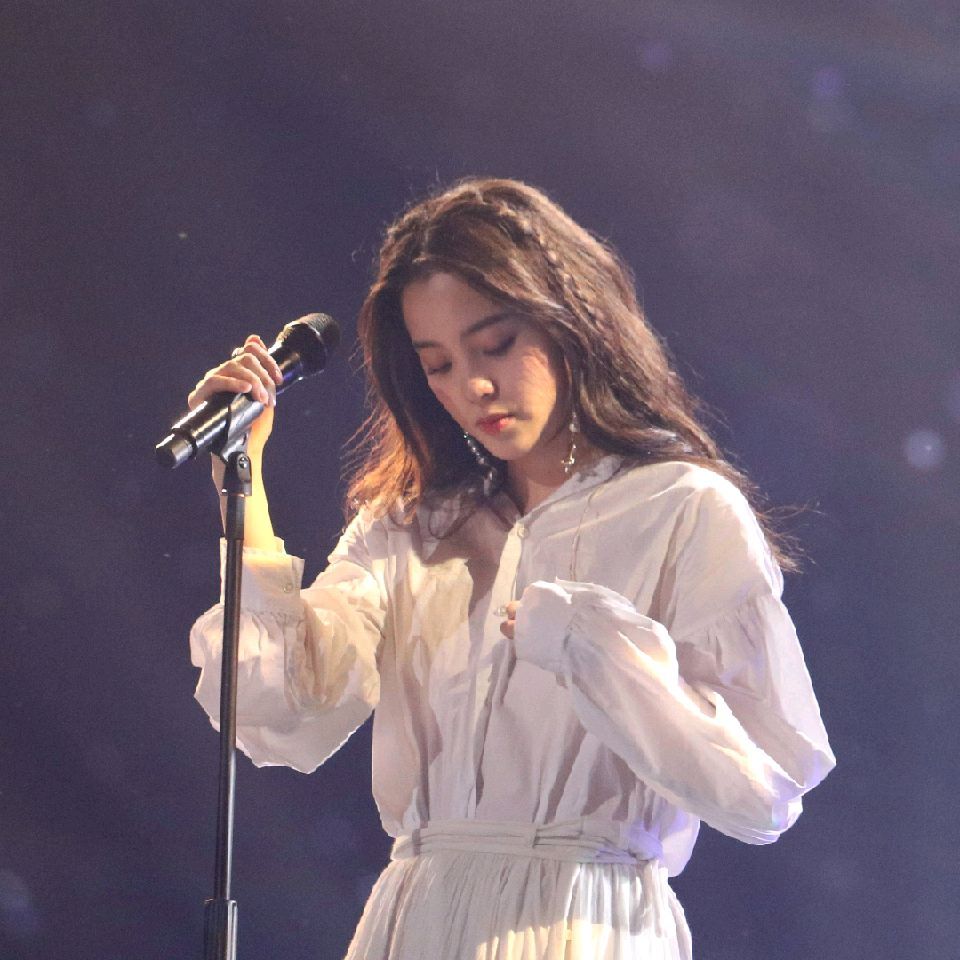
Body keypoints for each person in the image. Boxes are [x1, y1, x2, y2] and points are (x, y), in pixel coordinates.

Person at [187, 177, 835, 960]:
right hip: (416, 920)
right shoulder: (412, 524)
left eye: (496, 345)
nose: (474, 386)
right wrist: (244, 481)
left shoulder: (681, 509)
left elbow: (761, 793)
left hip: (583, 917)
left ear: (570, 321)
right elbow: (281, 710)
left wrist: (597, 650)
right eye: (438, 365)